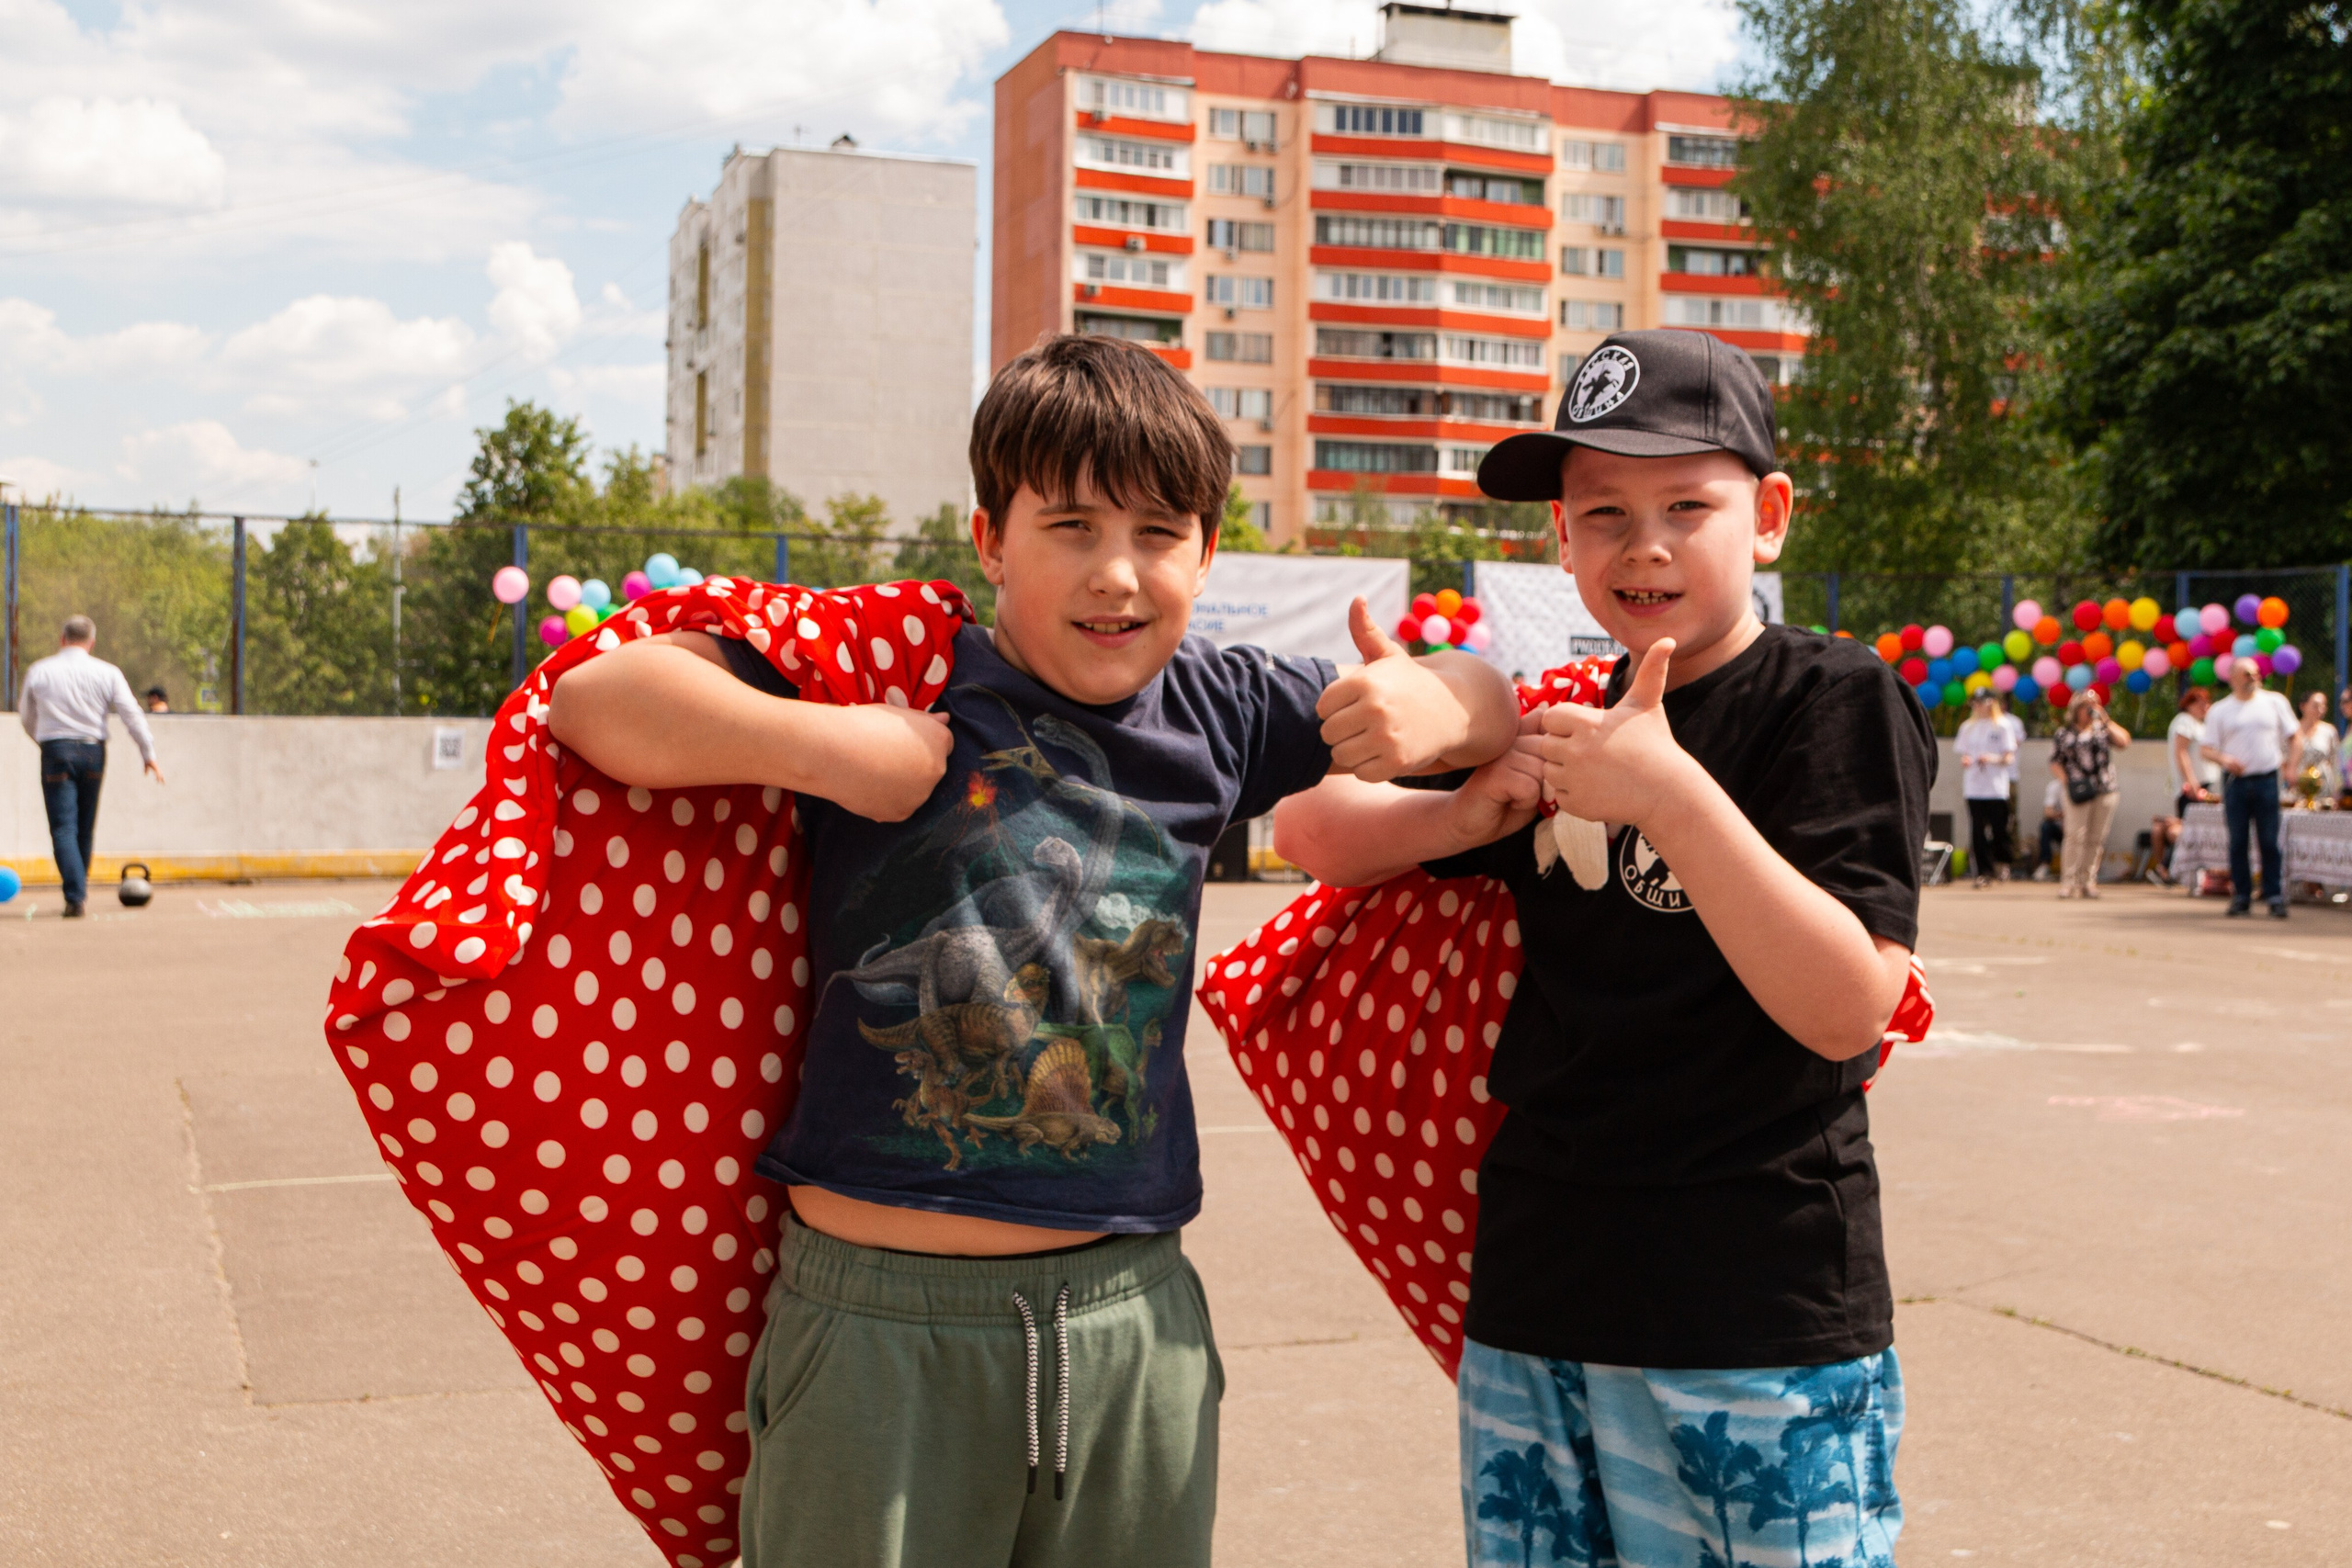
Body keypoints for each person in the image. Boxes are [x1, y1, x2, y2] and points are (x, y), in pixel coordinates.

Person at [547, 333, 1520, 1568]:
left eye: (1160, 532)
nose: (1116, 572)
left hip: (1128, 1321)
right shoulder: (904, 664)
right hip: (875, 1326)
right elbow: (597, 699)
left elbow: (1491, 698)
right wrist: (829, 746)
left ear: (1208, 552)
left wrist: (1444, 704)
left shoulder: (1218, 705)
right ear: (990, 536)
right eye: (1069, 525)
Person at [1271, 330, 1926, 1568]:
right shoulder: (1563, 718)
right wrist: (1465, 804)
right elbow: (1312, 831)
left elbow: (1850, 1005)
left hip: (1754, 1309)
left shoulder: (1829, 696)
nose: (1647, 544)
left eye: (1690, 502)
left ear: (1770, 516)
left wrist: (1670, 795)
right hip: (1540, 1294)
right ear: (1562, 538)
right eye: (1604, 512)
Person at [17, 615, 165, 918]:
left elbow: (26, 715)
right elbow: (131, 713)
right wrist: (147, 751)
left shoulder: (40, 671)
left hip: (56, 750)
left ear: (62, 638)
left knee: (63, 827)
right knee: (85, 827)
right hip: (93, 752)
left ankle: (75, 894)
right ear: (92, 642)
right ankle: (77, 889)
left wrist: (44, 740)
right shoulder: (106, 672)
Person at [2202, 658, 2300, 917]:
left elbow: (2294, 735)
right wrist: (2225, 760)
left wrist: (2291, 767)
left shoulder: (2275, 702)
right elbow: (2206, 749)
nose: (2253, 677)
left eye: (2256, 673)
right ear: (2233, 677)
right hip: (2236, 783)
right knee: (2238, 841)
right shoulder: (2220, 710)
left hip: (2267, 779)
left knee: (2269, 840)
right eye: (2247, 673)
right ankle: (2242, 896)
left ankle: (2274, 895)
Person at [2050, 689, 2130, 899]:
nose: (2090, 708)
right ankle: (2068, 882)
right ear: (2076, 708)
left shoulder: (2102, 730)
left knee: (2096, 838)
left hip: (2104, 790)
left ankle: (2088, 881)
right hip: (2078, 791)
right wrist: (2069, 782)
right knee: (2075, 836)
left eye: (2094, 704)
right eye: (2086, 705)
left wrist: (2105, 719)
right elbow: (2055, 762)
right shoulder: (2064, 733)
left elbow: (2124, 742)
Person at [2150, 685, 2218, 883]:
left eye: (2208, 702)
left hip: (2203, 784)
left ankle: (2171, 870)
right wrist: (2192, 783)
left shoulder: (2200, 725)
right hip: (2193, 787)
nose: (2205, 707)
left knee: (2193, 831)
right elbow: (2181, 752)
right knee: (2188, 830)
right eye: (2200, 702)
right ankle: (2165, 869)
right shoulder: (2185, 722)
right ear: (2188, 704)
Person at [1956, 691, 2018, 886]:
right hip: (1974, 786)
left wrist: (1991, 758)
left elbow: (2009, 756)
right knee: (1977, 830)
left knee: (1999, 829)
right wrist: (1966, 760)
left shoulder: (2003, 725)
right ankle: (1984, 871)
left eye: (1981, 702)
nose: (1978, 705)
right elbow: (1963, 752)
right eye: (1975, 702)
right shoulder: (1968, 727)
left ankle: (2002, 862)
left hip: (1996, 787)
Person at [2288, 689, 2340, 802]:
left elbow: (2335, 762)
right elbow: (2282, 758)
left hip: (2323, 786)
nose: (2320, 710)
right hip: (2296, 786)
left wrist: (2337, 791)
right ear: (2302, 706)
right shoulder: (2291, 730)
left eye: (2323, 706)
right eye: (2316, 705)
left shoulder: (2329, 731)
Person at [2034, 774, 2066, 879]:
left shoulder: (2084, 784)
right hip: (2060, 827)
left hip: (2079, 828)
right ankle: (2045, 864)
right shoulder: (2055, 786)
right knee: (2045, 826)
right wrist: (2063, 816)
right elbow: (2048, 813)